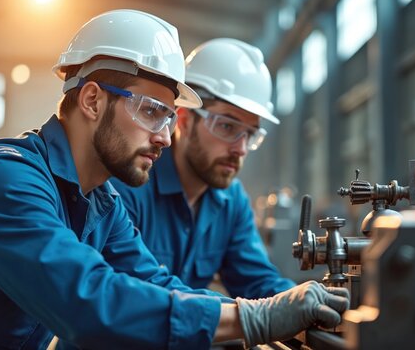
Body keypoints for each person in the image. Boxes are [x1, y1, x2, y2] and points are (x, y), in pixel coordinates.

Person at [0, 10, 349, 349]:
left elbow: (159, 284)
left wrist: (280, 309)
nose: (165, 136)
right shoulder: (3, 180)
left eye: (168, 116)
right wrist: (254, 320)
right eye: (150, 111)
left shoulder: (101, 203)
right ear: (92, 99)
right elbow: (88, 302)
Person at [111, 38, 295, 299]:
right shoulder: (130, 182)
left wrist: (300, 300)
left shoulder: (232, 201)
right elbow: (134, 296)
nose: (240, 149)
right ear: (184, 120)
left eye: (250, 134)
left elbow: (258, 282)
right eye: (227, 126)